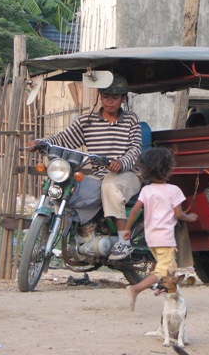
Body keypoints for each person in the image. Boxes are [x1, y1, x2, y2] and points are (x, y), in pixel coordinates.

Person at [26, 73, 142, 261]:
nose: (109, 101)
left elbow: (135, 148)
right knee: (73, 189)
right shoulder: (86, 122)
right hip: (100, 174)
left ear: (123, 98)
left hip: (128, 173)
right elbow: (63, 139)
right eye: (106, 96)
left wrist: (121, 163)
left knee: (110, 186)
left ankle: (123, 241)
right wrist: (41, 142)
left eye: (115, 97)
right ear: (100, 96)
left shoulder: (131, 119)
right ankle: (83, 235)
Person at [124, 147, 198, 310]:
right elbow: (178, 214)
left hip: (151, 238)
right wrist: (189, 217)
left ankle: (170, 296)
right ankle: (136, 289)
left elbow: (135, 210)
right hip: (165, 238)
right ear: (168, 168)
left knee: (170, 269)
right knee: (163, 270)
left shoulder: (146, 190)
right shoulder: (174, 191)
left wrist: (128, 229)